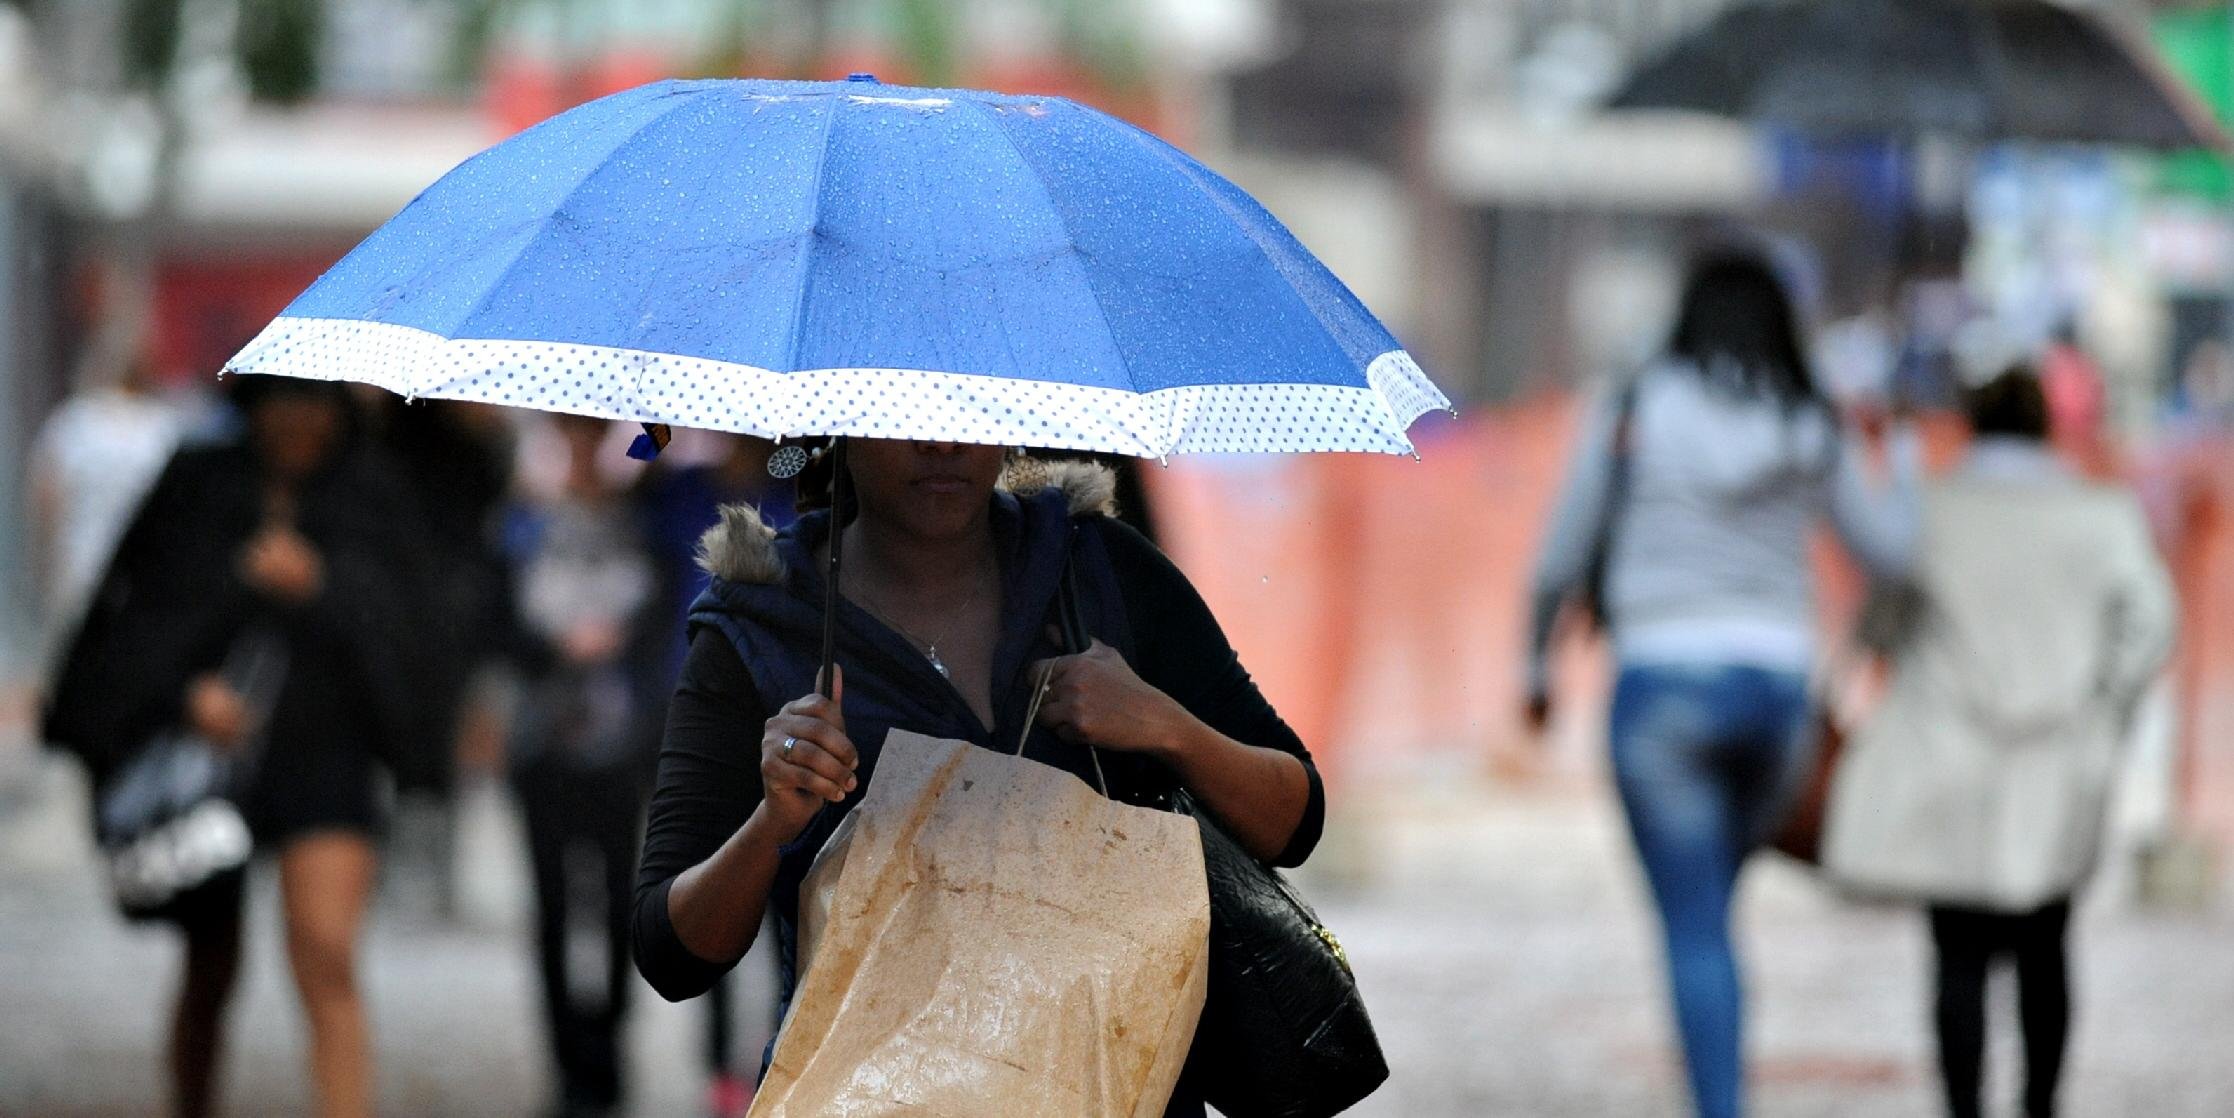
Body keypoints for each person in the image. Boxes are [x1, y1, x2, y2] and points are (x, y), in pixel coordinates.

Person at [632, 440, 1324, 1117]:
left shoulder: (1098, 571)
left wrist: (1167, 727)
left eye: (967, 413)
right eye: (908, 415)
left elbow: (1294, 821)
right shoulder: (761, 624)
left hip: (1120, 1084)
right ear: (842, 427)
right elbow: (671, 952)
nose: (942, 445)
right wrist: (772, 822)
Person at [1525, 249, 1920, 1118]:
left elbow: (1558, 554)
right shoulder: (1811, 419)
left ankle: (1721, 1104)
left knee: (1695, 925)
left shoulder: (1632, 406)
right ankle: (1722, 1079)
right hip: (1779, 702)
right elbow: (1891, 554)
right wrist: (1913, 464)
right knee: (1715, 912)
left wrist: (1535, 665)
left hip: (1662, 693)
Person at [43, 376, 431, 1118]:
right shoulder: (198, 485)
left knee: (325, 952)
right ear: (253, 409)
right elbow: (137, 615)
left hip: (327, 753)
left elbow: (411, 633)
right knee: (209, 965)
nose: (298, 424)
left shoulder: (369, 495)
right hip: (207, 765)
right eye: (282, 405)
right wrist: (185, 692)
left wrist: (321, 584)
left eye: (313, 406)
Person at [1823, 365, 2175, 1118]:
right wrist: (2106, 706)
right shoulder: (2100, 514)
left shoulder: (1933, 512)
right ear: (2047, 424)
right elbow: (2152, 619)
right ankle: (2040, 1106)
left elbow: (1885, 613)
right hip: (2059, 755)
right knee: (2045, 948)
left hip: (1948, 751)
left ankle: (1963, 1108)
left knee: (1958, 954)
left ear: (1974, 424)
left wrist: (1861, 668)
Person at [502, 414, 664, 1118]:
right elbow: (496, 616)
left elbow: (655, 446)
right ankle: (566, 1061)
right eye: (565, 432)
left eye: (589, 431)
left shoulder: (640, 503)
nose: (578, 444)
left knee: (622, 897)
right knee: (552, 906)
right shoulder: (524, 517)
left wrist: (637, 445)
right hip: (541, 741)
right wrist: (558, 647)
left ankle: (610, 1052)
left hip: (620, 741)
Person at [632, 433, 795, 1118]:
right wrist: (656, 434)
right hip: (696, 711)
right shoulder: (682, 490)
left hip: (785, 716)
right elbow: (637, 502)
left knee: (782, 902)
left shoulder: (797, 489)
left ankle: (774, 1055)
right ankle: (721, 1068)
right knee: (706, 887)